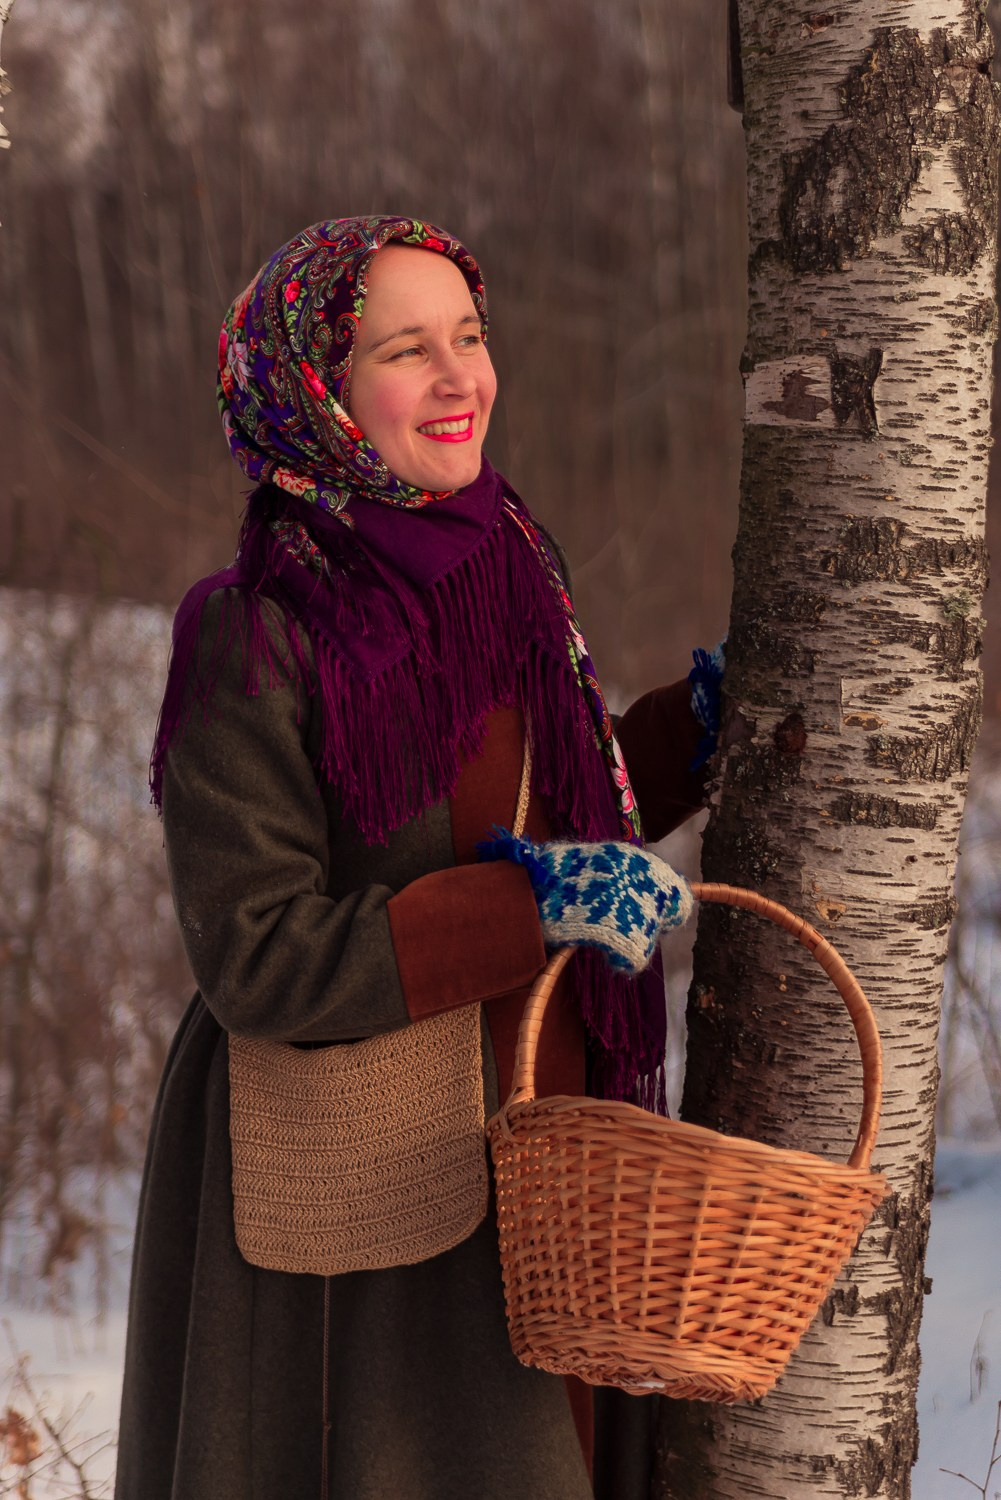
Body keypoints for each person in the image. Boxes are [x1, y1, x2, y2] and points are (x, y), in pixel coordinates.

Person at [115, 215, 721, 1500]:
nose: (459, 379)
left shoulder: (499, 565)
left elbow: (532, 796)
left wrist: (689, 740)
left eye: (470, 335)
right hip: (360, 1191)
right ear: (315, 396)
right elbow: (260, 955)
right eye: (404, 349)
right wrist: (533, 904)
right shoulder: (256, 631)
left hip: (536, 1144)